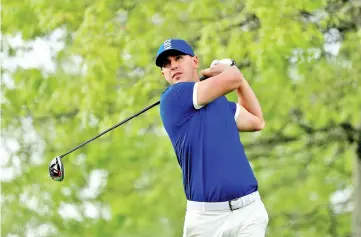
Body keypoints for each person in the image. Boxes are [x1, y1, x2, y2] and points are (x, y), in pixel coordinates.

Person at [156, 38, 269, 237]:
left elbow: (256, 121)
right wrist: (227, 68)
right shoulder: (173, 97)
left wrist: (238, 79)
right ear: (163, 73)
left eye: (178, 58)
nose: (173, 65)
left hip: (248, 211)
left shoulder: (219, 103)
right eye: (167, 64)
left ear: (194, 61)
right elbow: (232, 78)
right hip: (206, 222)